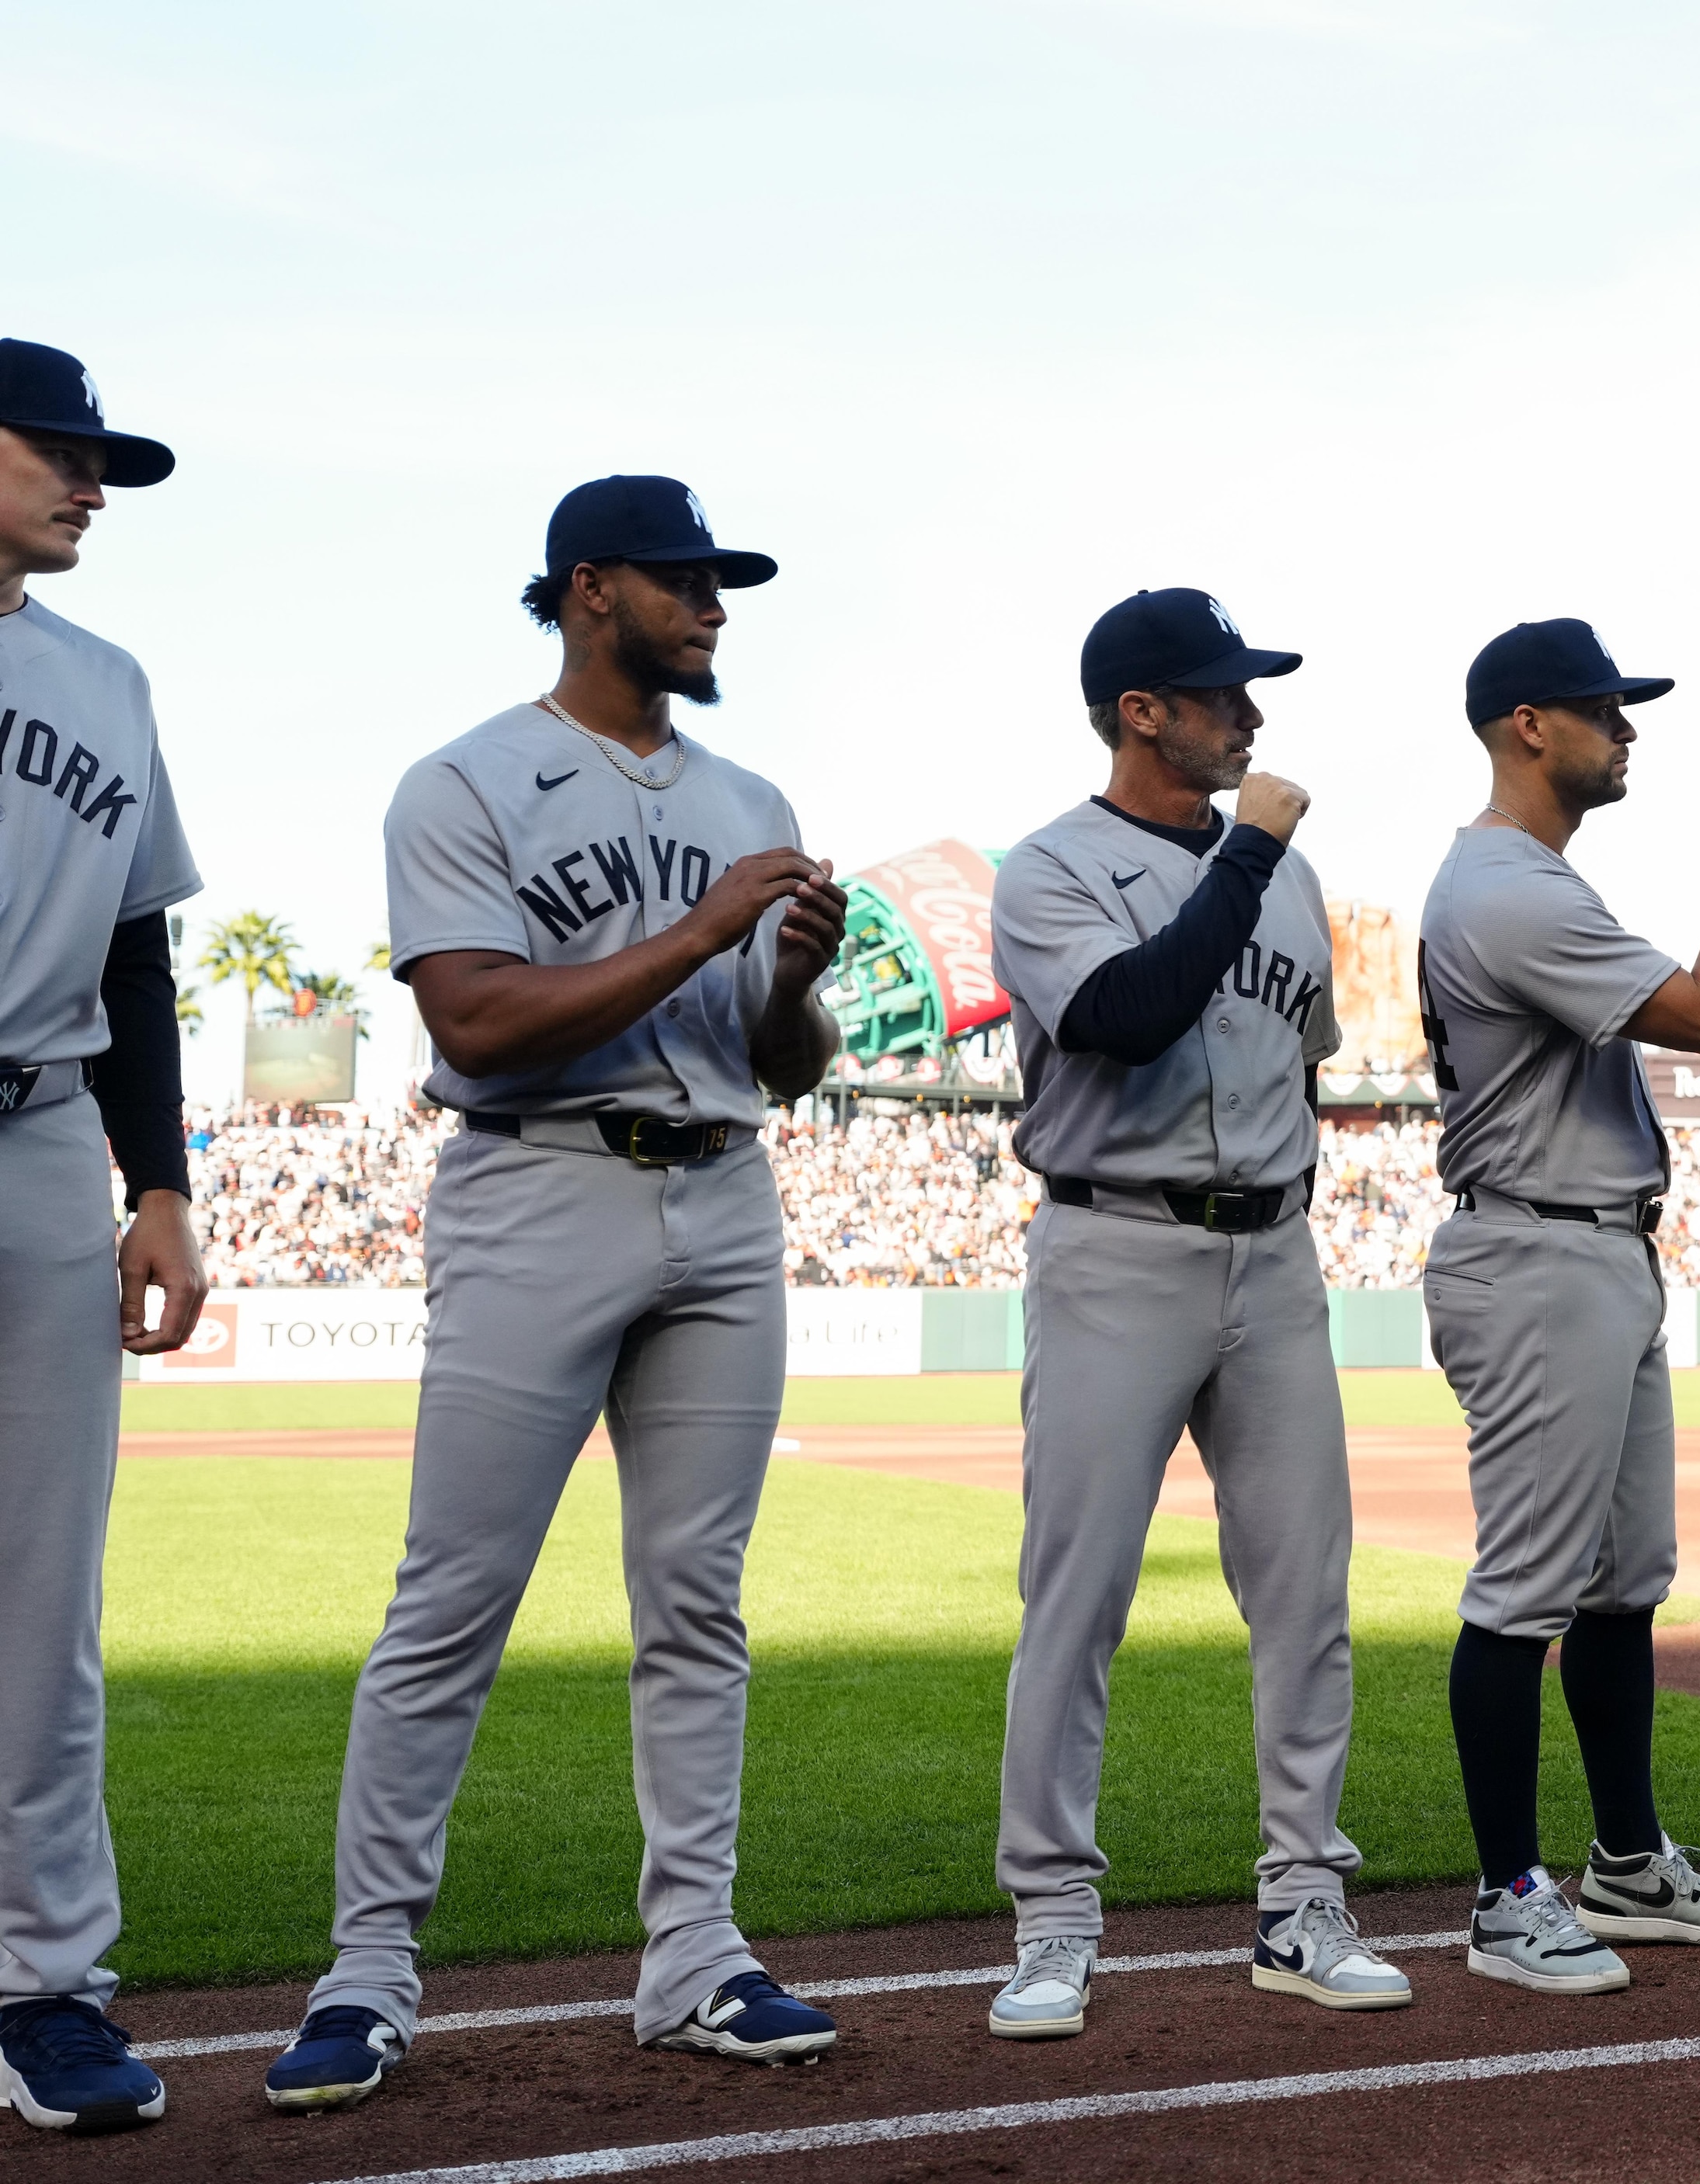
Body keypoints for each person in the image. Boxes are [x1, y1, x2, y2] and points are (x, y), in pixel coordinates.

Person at [269, 477, 851, 2111]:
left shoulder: (749, 791)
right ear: (590, 589)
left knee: (698, 1601)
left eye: (720, 583)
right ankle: (368, 1969)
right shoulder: (463, 778)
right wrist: (705, 927)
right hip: (537, 1185)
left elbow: (777, 1061)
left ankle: (696, 1954)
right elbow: (477, 1023)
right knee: (449, 1603)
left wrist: (789, 974)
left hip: (726, 1191)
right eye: (686, 580)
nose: (716, 604)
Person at [978, 589, 1411, 2041]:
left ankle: (1304, 1900)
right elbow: (1128, 1013)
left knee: (1305, 1594)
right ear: (1139, 710)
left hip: (1271, 1259)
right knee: (1080, 1598)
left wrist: (1282, 1209)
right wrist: (1261, 846)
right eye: (1225, 692)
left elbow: (1301, 1058)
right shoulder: (1051, 868)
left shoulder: (1282, 874)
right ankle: (1051, 1916)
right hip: (1117, 1247)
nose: (1254, 714)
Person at [1417, 619, 1700, 1993]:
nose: (1626, 729)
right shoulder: (1507, 886)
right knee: (1524, 1588)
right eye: (1602, 709)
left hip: (1591, 1249)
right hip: (1535, 1253)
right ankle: (1507, 1890)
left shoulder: (1526, 878)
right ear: (1528, 724)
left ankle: (1626, 1859)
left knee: (1626, 1580)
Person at [0, 339, 201, 2137]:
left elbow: (136, 948)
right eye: (58, 449)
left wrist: (162, 1177)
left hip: (41, 1136)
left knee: (42, 1601)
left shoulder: (106, 678)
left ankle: (45, 1982)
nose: (92, 480)